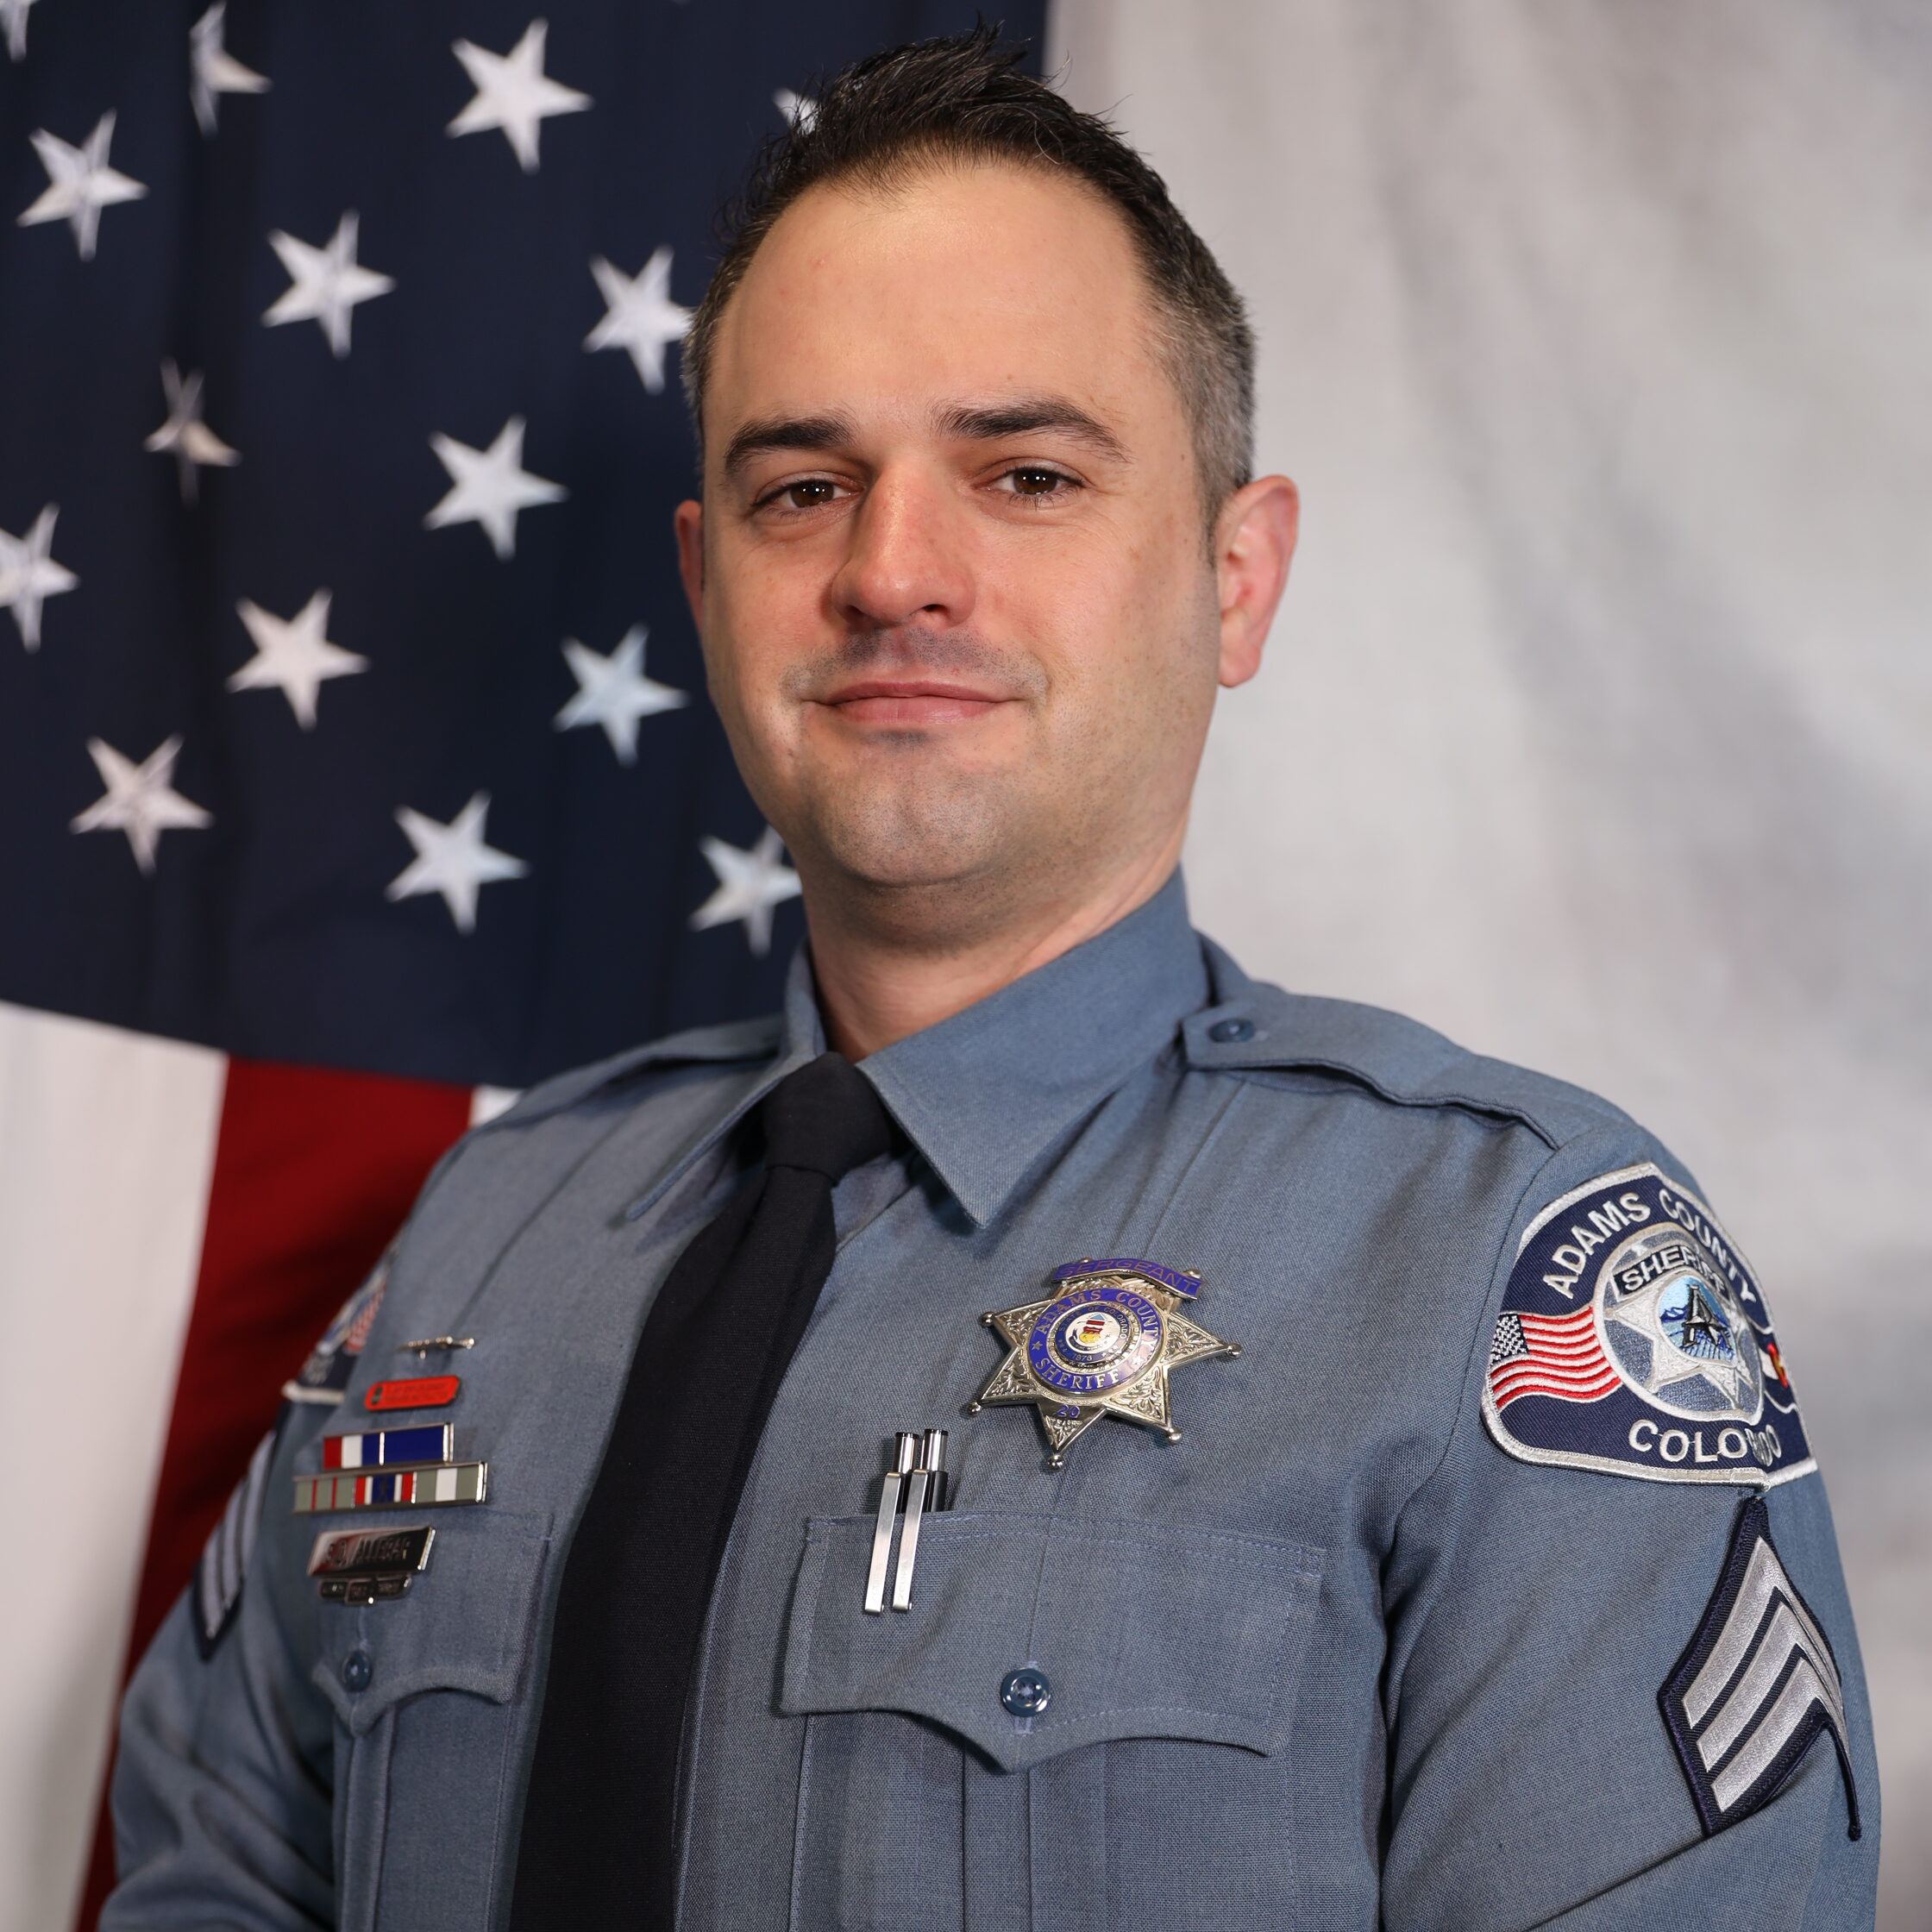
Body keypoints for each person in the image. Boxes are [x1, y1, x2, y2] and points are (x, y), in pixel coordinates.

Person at [105, 29, 1877, 1930]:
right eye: (803, 488)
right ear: (705, 584)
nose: (892, 572)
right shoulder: (487, 1241)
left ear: (1235, 576)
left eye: (1025, 472)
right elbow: (216, 1876)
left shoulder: (1495, 1277)